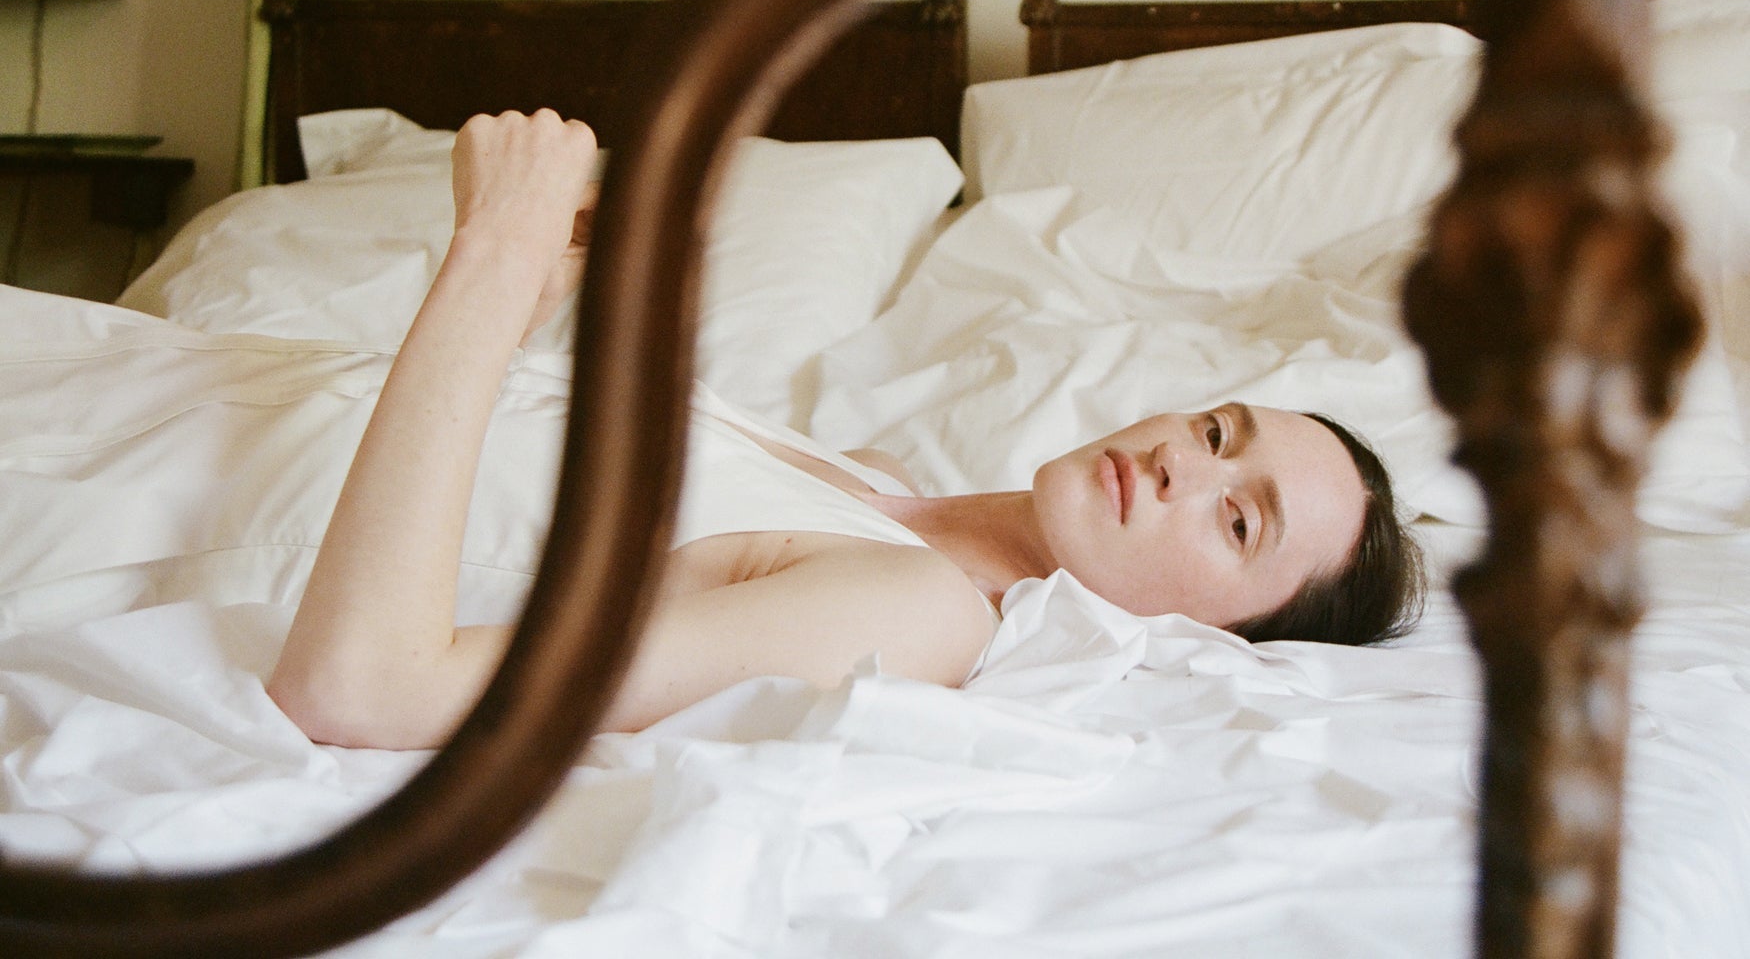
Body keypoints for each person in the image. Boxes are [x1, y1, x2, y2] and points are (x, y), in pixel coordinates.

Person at [266, 110, 1425, 750]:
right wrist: (544, 294)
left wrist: (497, 245)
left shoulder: (912, 609)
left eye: (1235, 518)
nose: (1183, 458)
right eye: (1220, 431)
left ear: (1221, 636)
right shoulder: (874, 480)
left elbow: (366, 688)